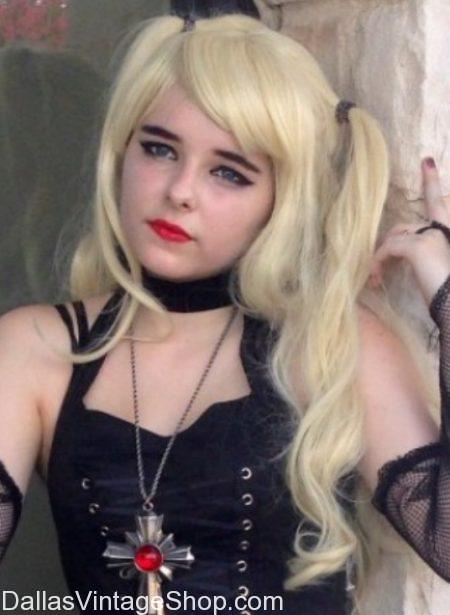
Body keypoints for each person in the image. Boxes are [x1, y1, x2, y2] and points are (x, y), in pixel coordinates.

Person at [0, 11, 449, 615]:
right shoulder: (35, 349)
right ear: (121, 152)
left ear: (280, 202)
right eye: (159, 148)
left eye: (228, 173)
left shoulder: (331, 344)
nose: (180, 191)